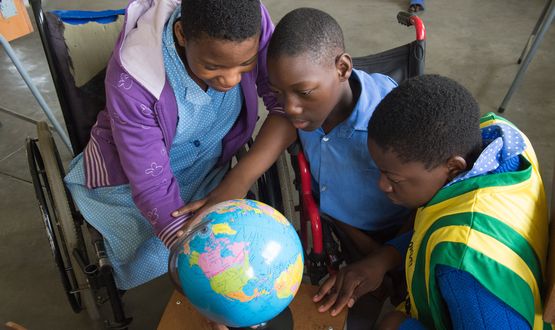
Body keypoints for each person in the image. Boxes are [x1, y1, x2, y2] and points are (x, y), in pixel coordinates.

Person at [64, 0, 296, 290]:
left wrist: (237, 181)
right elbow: (150, 186)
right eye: (213, 66)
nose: (231, 79)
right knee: (159, 253)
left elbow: (286, 108)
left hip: (210, 163)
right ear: (182, 33)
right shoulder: (133, 80)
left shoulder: (250, 22)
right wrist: (202, 274)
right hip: (132, 180)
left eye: (245, 64)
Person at [327, 74, 550, 329]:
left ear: (454, 168)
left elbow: (458, 243)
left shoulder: (463, 266)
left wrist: (402, 326)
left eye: (393, 178)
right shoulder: (501, 140)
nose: (382, 185)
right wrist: (383, 259)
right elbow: (437, 225)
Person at [265, 7, 410, 326]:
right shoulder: (309, 112)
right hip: (340, 228)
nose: (289, 108)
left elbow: (426, 203)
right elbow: (324, 204)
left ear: (342, 68)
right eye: (278, 93)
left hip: (403, 229)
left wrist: (381, 257)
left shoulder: (391, 121)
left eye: (302, 92)